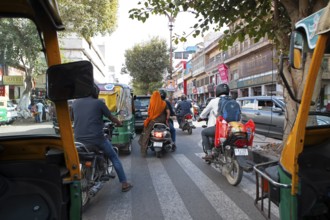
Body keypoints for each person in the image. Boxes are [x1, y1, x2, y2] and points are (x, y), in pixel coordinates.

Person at [72, 84, 133, 192]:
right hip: (96, 139)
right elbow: (111, 117)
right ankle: (124, 183)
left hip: (78, 140)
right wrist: (118, 122)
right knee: (114, 157)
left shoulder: (75, 103)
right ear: (95, 92)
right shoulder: (99, 103)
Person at [198, 83, 235, 160]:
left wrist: (200, 118)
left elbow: (204, 113)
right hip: (233, 128)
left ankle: (209, 153)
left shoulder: (214, 101)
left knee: (204, 132)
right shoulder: (234, 101)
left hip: (221, 128)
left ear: (218, 91)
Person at [138, 91, 170, 156]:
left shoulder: (152, 103)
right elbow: (168, 112)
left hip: (153, 121)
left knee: (146, 133)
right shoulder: (164, 103)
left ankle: (144, 150)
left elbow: (149, 112)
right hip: (162, 121)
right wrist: (167, 120)